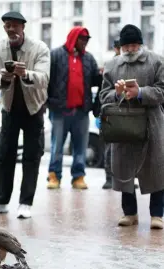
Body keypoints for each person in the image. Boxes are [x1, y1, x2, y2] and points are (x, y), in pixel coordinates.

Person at [0, 11, 50, 218]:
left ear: (23, 27)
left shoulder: (39, 48)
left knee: (32, 156)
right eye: (7, 26)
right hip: (10, 109)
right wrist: (3, 78)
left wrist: (25, 74)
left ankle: (26, 203)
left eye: (14, 25)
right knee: (4, 155)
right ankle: (1, 201)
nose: (10, 29)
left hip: (34, 109)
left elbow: (44, 78)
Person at [100, 24, 164, 229]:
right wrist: (117, 94)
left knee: (156, 167)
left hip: (151, 123)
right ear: (121, 46)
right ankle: (130, 213)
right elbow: (103, 96)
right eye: (126, 46)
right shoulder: (111, 66)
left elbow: (162, 91)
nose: (130, 50)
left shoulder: (156, 61)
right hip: (122, 124)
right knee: (123, 166)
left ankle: (157, 214)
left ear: (141, 44)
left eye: (134, 45)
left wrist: (140, 93)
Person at [47, 26, 102, 190]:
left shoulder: (89, 59)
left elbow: (95, 80)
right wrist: (48, 102)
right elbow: (46, 80)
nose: (85, 43)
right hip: (59, 111)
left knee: (80, 147)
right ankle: (54, 176)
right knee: (57, 146)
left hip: (81, 111)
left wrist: (101, 75)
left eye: (86, 40)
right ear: (73, 38)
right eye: (82, 39)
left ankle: (78, 177)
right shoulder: (56, 55)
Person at [102, 39, 121, 190]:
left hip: (126, 112)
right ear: (116, 49)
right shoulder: (111, 66)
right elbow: (104, 92)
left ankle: (124, 178)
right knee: (110, 147)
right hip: (111, 111)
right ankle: (109, 178)